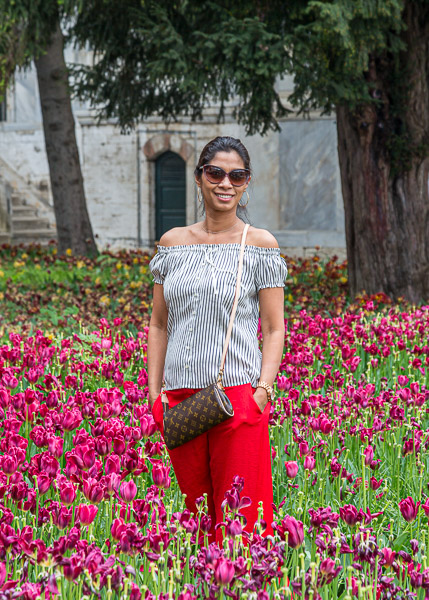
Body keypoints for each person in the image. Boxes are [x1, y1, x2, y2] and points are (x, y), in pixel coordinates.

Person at [148, 136, 287, 543]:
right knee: (197, 521)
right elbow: (158, 324)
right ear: (199, 177)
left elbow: (275, 328)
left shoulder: (260, 245)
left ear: (246, 184)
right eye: (216, 172)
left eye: (237, 175)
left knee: (242, 520)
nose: (226, 183)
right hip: (180, 403)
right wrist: (155, 396)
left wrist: (262, 390)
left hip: (238, 398)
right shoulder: (171, 245)